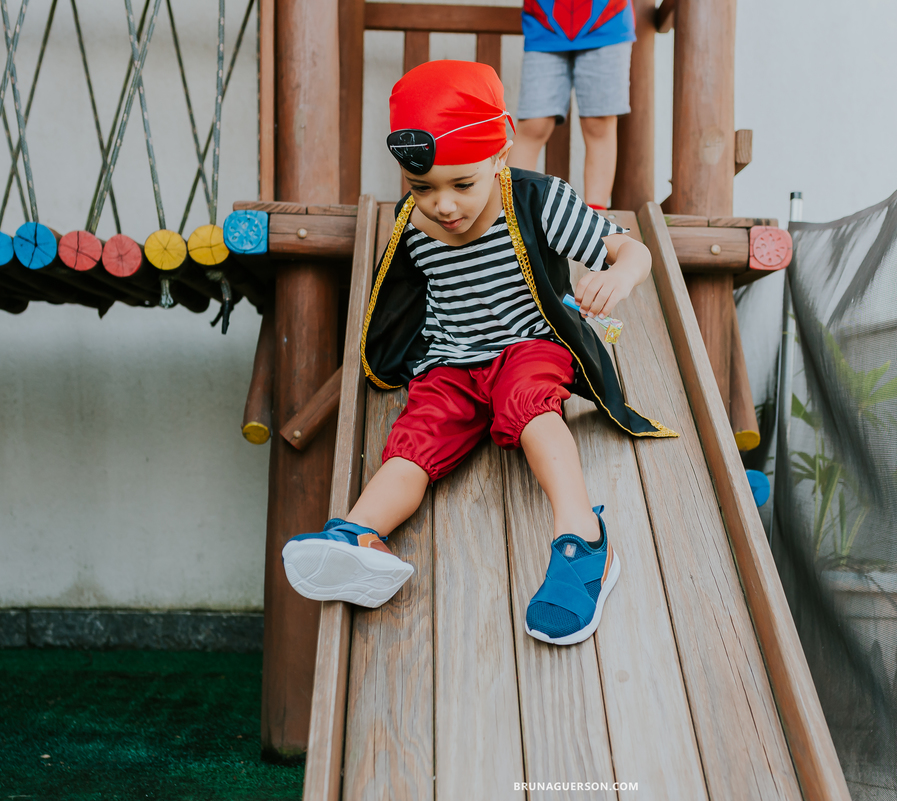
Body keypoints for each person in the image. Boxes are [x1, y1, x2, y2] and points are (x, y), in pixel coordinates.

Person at [281, 60, 674, 646]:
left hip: (528, 344)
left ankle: (584, 538)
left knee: (530, 406)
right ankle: (359, 535)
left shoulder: (539, 200)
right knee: (416, 438)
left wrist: (617, 278)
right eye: (422, 188)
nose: (442, 206)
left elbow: (631, 251)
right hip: (451, 362)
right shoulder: (415, 226)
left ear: (500, 153)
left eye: (461, 184)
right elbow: (405, 302)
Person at [507, 0, 636, 209]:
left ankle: (597, 215)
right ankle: (512, 211)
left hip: (607, 23)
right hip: (544, 23)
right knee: (534, 123)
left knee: (599, 123)